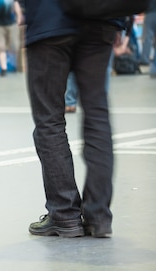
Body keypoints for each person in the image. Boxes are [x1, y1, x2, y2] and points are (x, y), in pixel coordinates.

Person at [25, 0, 124, 238]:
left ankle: (64, 214)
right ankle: (98, 215)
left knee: (49, 120)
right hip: (101, 19)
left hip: (49, 21)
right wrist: (121, 21)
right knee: (97, 116)